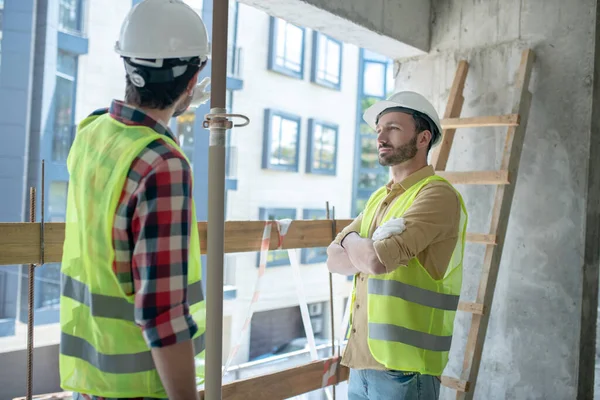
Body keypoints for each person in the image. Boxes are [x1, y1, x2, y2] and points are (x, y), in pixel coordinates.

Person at [58, 1, 211, 399]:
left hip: (91, 381)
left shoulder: (90, 133)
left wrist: (171, 109)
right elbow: (163, 316)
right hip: (142, 386)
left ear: (127, 65)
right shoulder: (164, 165)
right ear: (192, 82)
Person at [326, 91, 468, 399]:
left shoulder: (436, 195)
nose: (381, 137)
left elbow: (377, 262)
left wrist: (350, 241)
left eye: (393, 128)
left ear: (422, 138)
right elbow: (333, 260)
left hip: (405, 370)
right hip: (361, 362)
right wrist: (355, 242)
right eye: (378, 130)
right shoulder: (380, 197)